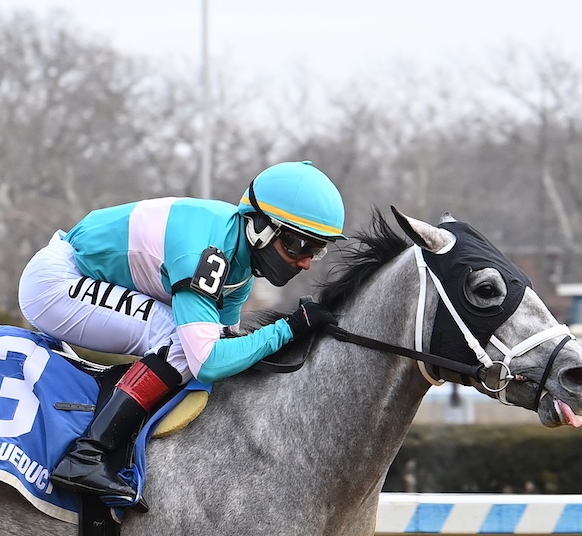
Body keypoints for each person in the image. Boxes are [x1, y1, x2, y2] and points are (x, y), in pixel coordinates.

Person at [18, 160, 345, 501]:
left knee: (193, 341)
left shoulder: (240, 262)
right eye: (298, 244)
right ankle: (86, 456)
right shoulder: (207, 255)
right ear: (260, 228)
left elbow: (229, 343)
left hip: (79, 274)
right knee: (180, 341)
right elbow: (208, 361)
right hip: (56, 284)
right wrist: (290, 328)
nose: (306, 261)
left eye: (317, 249)